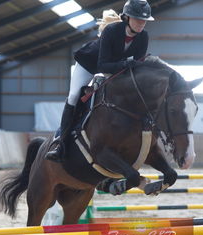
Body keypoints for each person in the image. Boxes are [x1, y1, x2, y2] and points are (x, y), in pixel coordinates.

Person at [45, 0, 154, 162]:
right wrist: (125, 64)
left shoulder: (143, 37)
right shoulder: (111, 31)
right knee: (74, 95)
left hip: (115, 68)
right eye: (138, 19)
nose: (141, 24)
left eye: (144, 20)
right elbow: (102, 65)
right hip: (89, 64)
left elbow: (136, 66)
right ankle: (60, 142)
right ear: (126, 18)